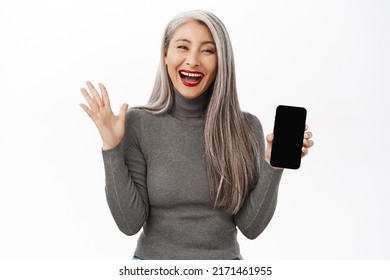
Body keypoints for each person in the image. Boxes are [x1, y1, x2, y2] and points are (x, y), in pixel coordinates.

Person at [80, 10, 314, 260]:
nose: (192, 60)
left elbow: (251, 228)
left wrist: (273, 165)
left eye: (207, 50)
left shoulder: (246, 127)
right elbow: (129, 224)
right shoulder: (139, 124)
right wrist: (112, 147)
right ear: (166, 55)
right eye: (183, 47)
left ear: (221, 61)